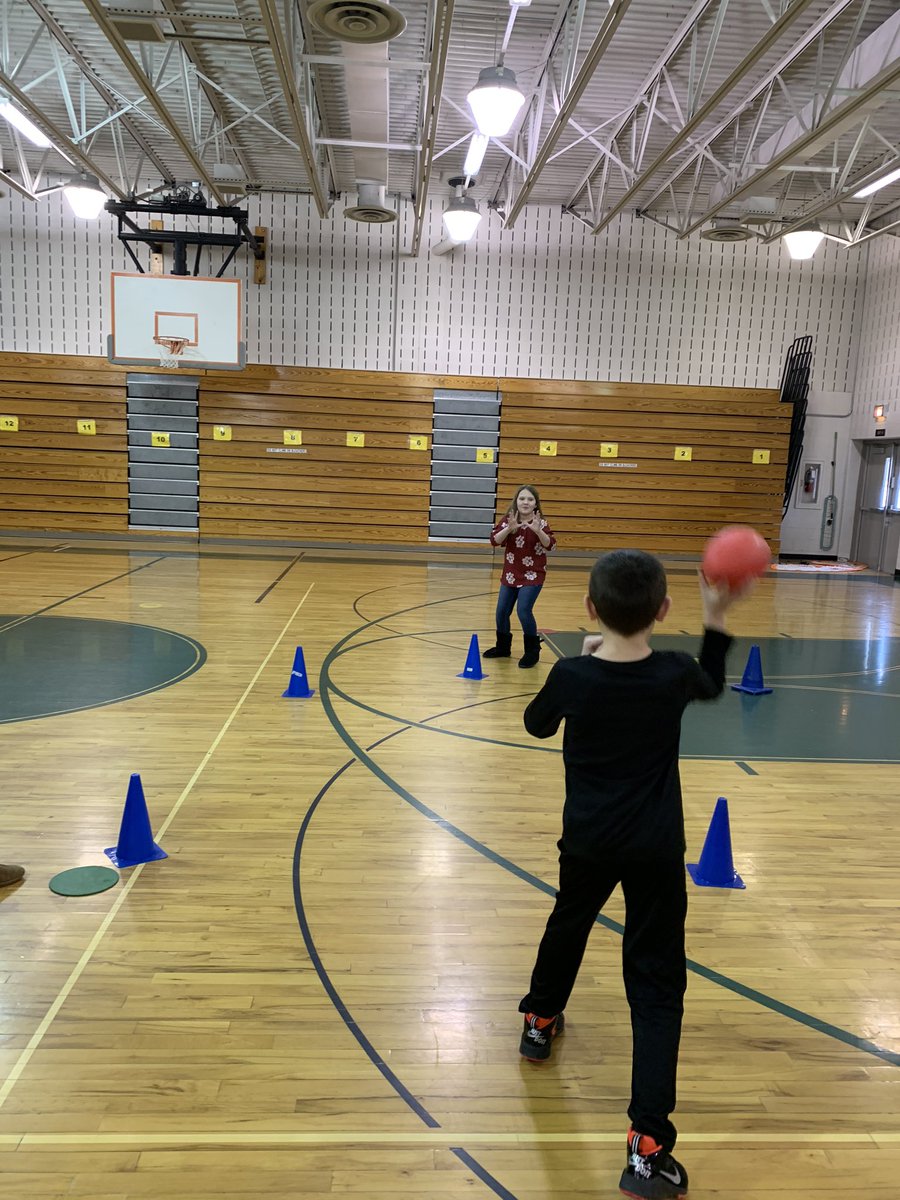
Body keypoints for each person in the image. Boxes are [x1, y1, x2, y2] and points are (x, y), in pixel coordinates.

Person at [516, 548, 747, 1200]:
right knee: (656, 984)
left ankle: (538, 1022)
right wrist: (716, 614)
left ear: (591, 608)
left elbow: (535, 724)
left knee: (569, 922)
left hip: (588, 842)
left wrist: (583, 661)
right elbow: (712, 681)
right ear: (663, 610)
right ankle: (646, 1150)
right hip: (653, 848)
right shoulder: (674, 673)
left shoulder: (573, 676)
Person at [484, 485, 556, 668]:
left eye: (530, 499)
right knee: (501, 611)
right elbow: (494, 540)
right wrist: (509, 529)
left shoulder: (541, 523)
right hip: (510, 574)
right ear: (516, 501)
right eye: (522, 498)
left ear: (535, 504)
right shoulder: (509, 520)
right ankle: (503, 647)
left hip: (533, 575)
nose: (526, 502)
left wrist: (538, 531)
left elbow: (550, 545)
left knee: (523, 610)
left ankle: (532, 652)